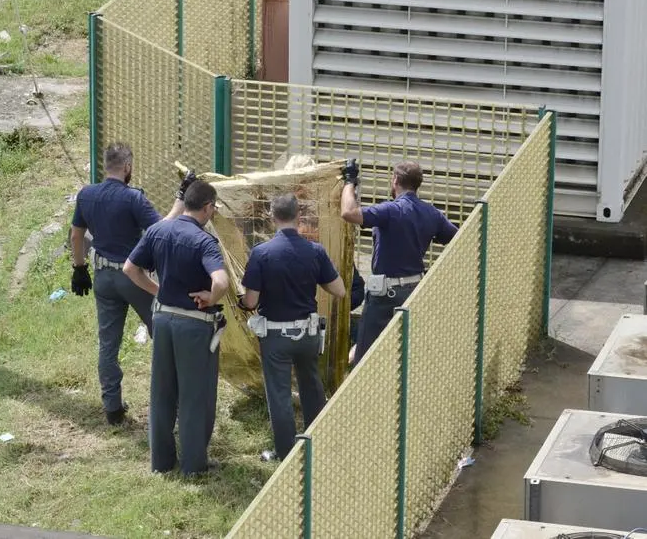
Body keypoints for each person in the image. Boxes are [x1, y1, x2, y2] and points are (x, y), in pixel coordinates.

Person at [69, 143, 196, 425]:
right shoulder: (133, 198)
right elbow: (160, 229)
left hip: (103, 276)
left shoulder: (86, 195)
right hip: (133, 276)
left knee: (108, 343)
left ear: (106, 165)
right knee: (163, 336)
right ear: (127, 167)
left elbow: (77, 235)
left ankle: (112, 408)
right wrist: (181, 197)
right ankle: (169, 404)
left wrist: (79, 268)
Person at [122, 180, 229, 476]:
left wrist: (157, 290)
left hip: (162, 319)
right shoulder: (205, 241)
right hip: (194, 325)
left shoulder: (158, 230)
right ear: (207, 207)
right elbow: (221, 282)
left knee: (162, 392)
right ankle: (194, 465)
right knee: (195, 395)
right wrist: (211, 296)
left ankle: (161, 462)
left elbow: (130, 268)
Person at [238, 193, 346, 461]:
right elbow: (340, 290)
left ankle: (285, 453)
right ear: (299, 216)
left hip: (276, 336)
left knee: (280, 394)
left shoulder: (261, 253)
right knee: (312, 387)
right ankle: (317, 443)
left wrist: (241, 301)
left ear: (272, 218)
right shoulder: (316, 251)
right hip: (308, 335)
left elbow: (251, 300)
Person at [340, 159, 457, 365]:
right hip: (413, 293)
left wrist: (350, 181)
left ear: (395, 180)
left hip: (384, 296)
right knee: (403, 355)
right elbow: (457, 237)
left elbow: (349, 213)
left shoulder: (390, 211)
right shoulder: (432, 214)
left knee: (366, 359)